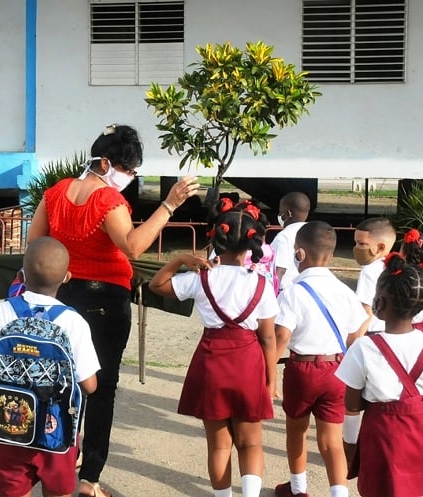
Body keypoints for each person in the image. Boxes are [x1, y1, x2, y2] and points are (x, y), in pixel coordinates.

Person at [26, 124, 199, 496]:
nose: (130, 177)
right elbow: (133, 246)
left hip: (64, 296)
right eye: (128, 169)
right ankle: (90, 478)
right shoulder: (108, 201)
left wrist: (63, 265)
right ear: (106, 163)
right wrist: (169, 205)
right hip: (106, 301)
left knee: (64, 381)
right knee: (102, 389)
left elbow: (35, 243)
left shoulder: (56, 193)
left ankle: (60, 454)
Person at [148, 200, 278, 497]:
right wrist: (271, 381)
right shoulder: (261, 284)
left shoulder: (200, 278)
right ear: (253, 243)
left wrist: (180, 258)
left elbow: (157, 285)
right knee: (251, 442)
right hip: (248, 362)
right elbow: (268, 338)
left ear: (216, 239)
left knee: (219, 445)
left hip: (211, 360)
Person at [0, 236, 100, 497]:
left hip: (6, 429)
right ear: (67, 277)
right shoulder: (74, 323)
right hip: (56, 434)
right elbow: (90, 385)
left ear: (21, 275)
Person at [335, 253, 423, 497]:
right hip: (422, 435)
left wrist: (350, 450)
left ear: (379, 302)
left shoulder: (363, 347)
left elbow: (351, 406)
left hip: (383, 437)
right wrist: (416, 403)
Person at [273, 221, 368, 497]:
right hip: (337, 368)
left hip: (302, 368)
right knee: (331, 441)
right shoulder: (344, 291)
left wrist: (267, 374)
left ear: (299, 254)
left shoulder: (293, 292)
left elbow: (281, 336)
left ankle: (298, 489)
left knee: (297, 430)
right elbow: (356, 334)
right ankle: (340, 494)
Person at [353, 217, 396, 333]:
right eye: (356, 243)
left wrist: (355, 340)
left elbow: (366, 311)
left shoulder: (369, 271)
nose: (356, 248)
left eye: (362, 244)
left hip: (373, 332)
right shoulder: (396, 267)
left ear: (380, 247)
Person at [270, 192, 310, 292]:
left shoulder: (284, 237)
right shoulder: (312, 232)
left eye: (280, 211)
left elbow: (279, 271)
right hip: (307, 289)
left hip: (285, 291)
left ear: (288, 213)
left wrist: (272, 296)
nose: (279, 215)